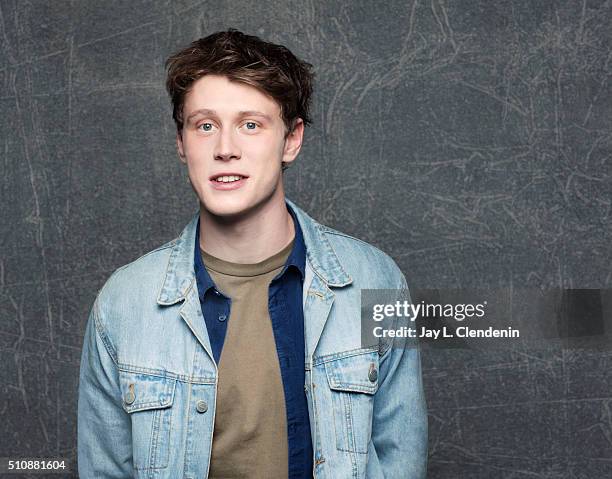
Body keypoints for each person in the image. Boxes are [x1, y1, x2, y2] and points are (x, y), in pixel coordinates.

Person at [77, 29, 428, 479]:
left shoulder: (375, 281)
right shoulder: (123, 304)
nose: (225, 148)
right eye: (205, 125)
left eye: (250, 124)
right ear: (181, 143)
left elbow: (401, 460)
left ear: (291, 140)